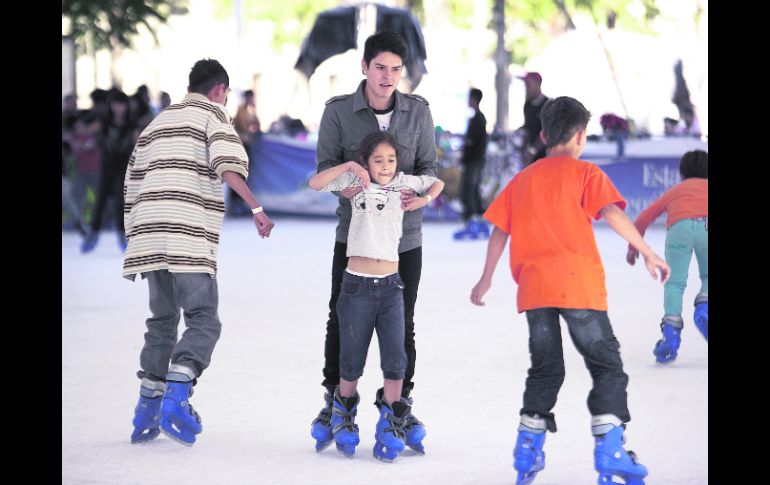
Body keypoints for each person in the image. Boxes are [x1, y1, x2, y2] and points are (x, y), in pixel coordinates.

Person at [469, 96, 670, 485]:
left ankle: (527, 449)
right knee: (606, 366)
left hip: (535, 292)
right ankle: (611, 449)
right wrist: (646, 251)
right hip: (579, 288)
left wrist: (487, 277)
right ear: (580, 136)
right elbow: (612, 213)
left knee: (545, 371)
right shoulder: (586, 173)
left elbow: (499, 230)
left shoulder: (522, 179)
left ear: (544, 135)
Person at [124, 59, 274, 446]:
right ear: (221, 90)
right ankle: (177, 394)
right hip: (186, 234)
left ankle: (147, 408)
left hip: (149, 233)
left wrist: (137, 236)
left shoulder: (155, 124)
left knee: (161, 319)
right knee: (204, 319)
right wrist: (256, 208)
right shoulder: (213, 117)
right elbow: (227, 166)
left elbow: (131, 181)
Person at [310, 30, 438, 456]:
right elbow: (324, 169)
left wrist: (421, 198)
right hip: (355, 238)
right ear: (364, 68)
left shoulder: (418, 112)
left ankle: (397, 401)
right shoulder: (339, 112)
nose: (387, 77)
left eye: (395, 70)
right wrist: (341, 187)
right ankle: (337, 399)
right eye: (380, 67)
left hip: (406, 238)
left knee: (403, 322)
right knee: (341, 317)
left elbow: (429, 168)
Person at [626, 150, 708, 364]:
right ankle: (705, 306)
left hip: (679, 228)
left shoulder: (676, 190)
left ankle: (670, 335)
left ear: (683, 173)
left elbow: (644, 216)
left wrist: (634, 246)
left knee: (674, 283)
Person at [81, 89, 135, 253]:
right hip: (105, 169)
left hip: (123, 169)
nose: (118, 108)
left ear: (125, 106)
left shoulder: (130, 126)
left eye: (121, 104)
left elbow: (141, 141)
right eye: (115, 104)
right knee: (100, 203)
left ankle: (123, 236)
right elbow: (84, 131)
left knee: (121, 204)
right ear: (111, 106)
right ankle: (92, 235)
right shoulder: (103, 123)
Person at [453, 87, 490, 241]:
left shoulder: (478, 119)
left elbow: (473, 142)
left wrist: (466, 144)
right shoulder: (477, 118)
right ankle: (479, 222)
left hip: (474, 161)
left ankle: (472, 223)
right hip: (473, 160)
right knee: (473, 191)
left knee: (468, 190)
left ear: (474, 100)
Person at [517, 72, 548, 166]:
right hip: (531, 157)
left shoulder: (548, 105)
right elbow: (528, 128)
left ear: (538, 83)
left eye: (528, 85)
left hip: (545, 156)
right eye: (525, 85)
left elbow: (548, 132)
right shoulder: (527, 105)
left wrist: (533, 150)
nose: (526, 88)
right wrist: (523, 149)